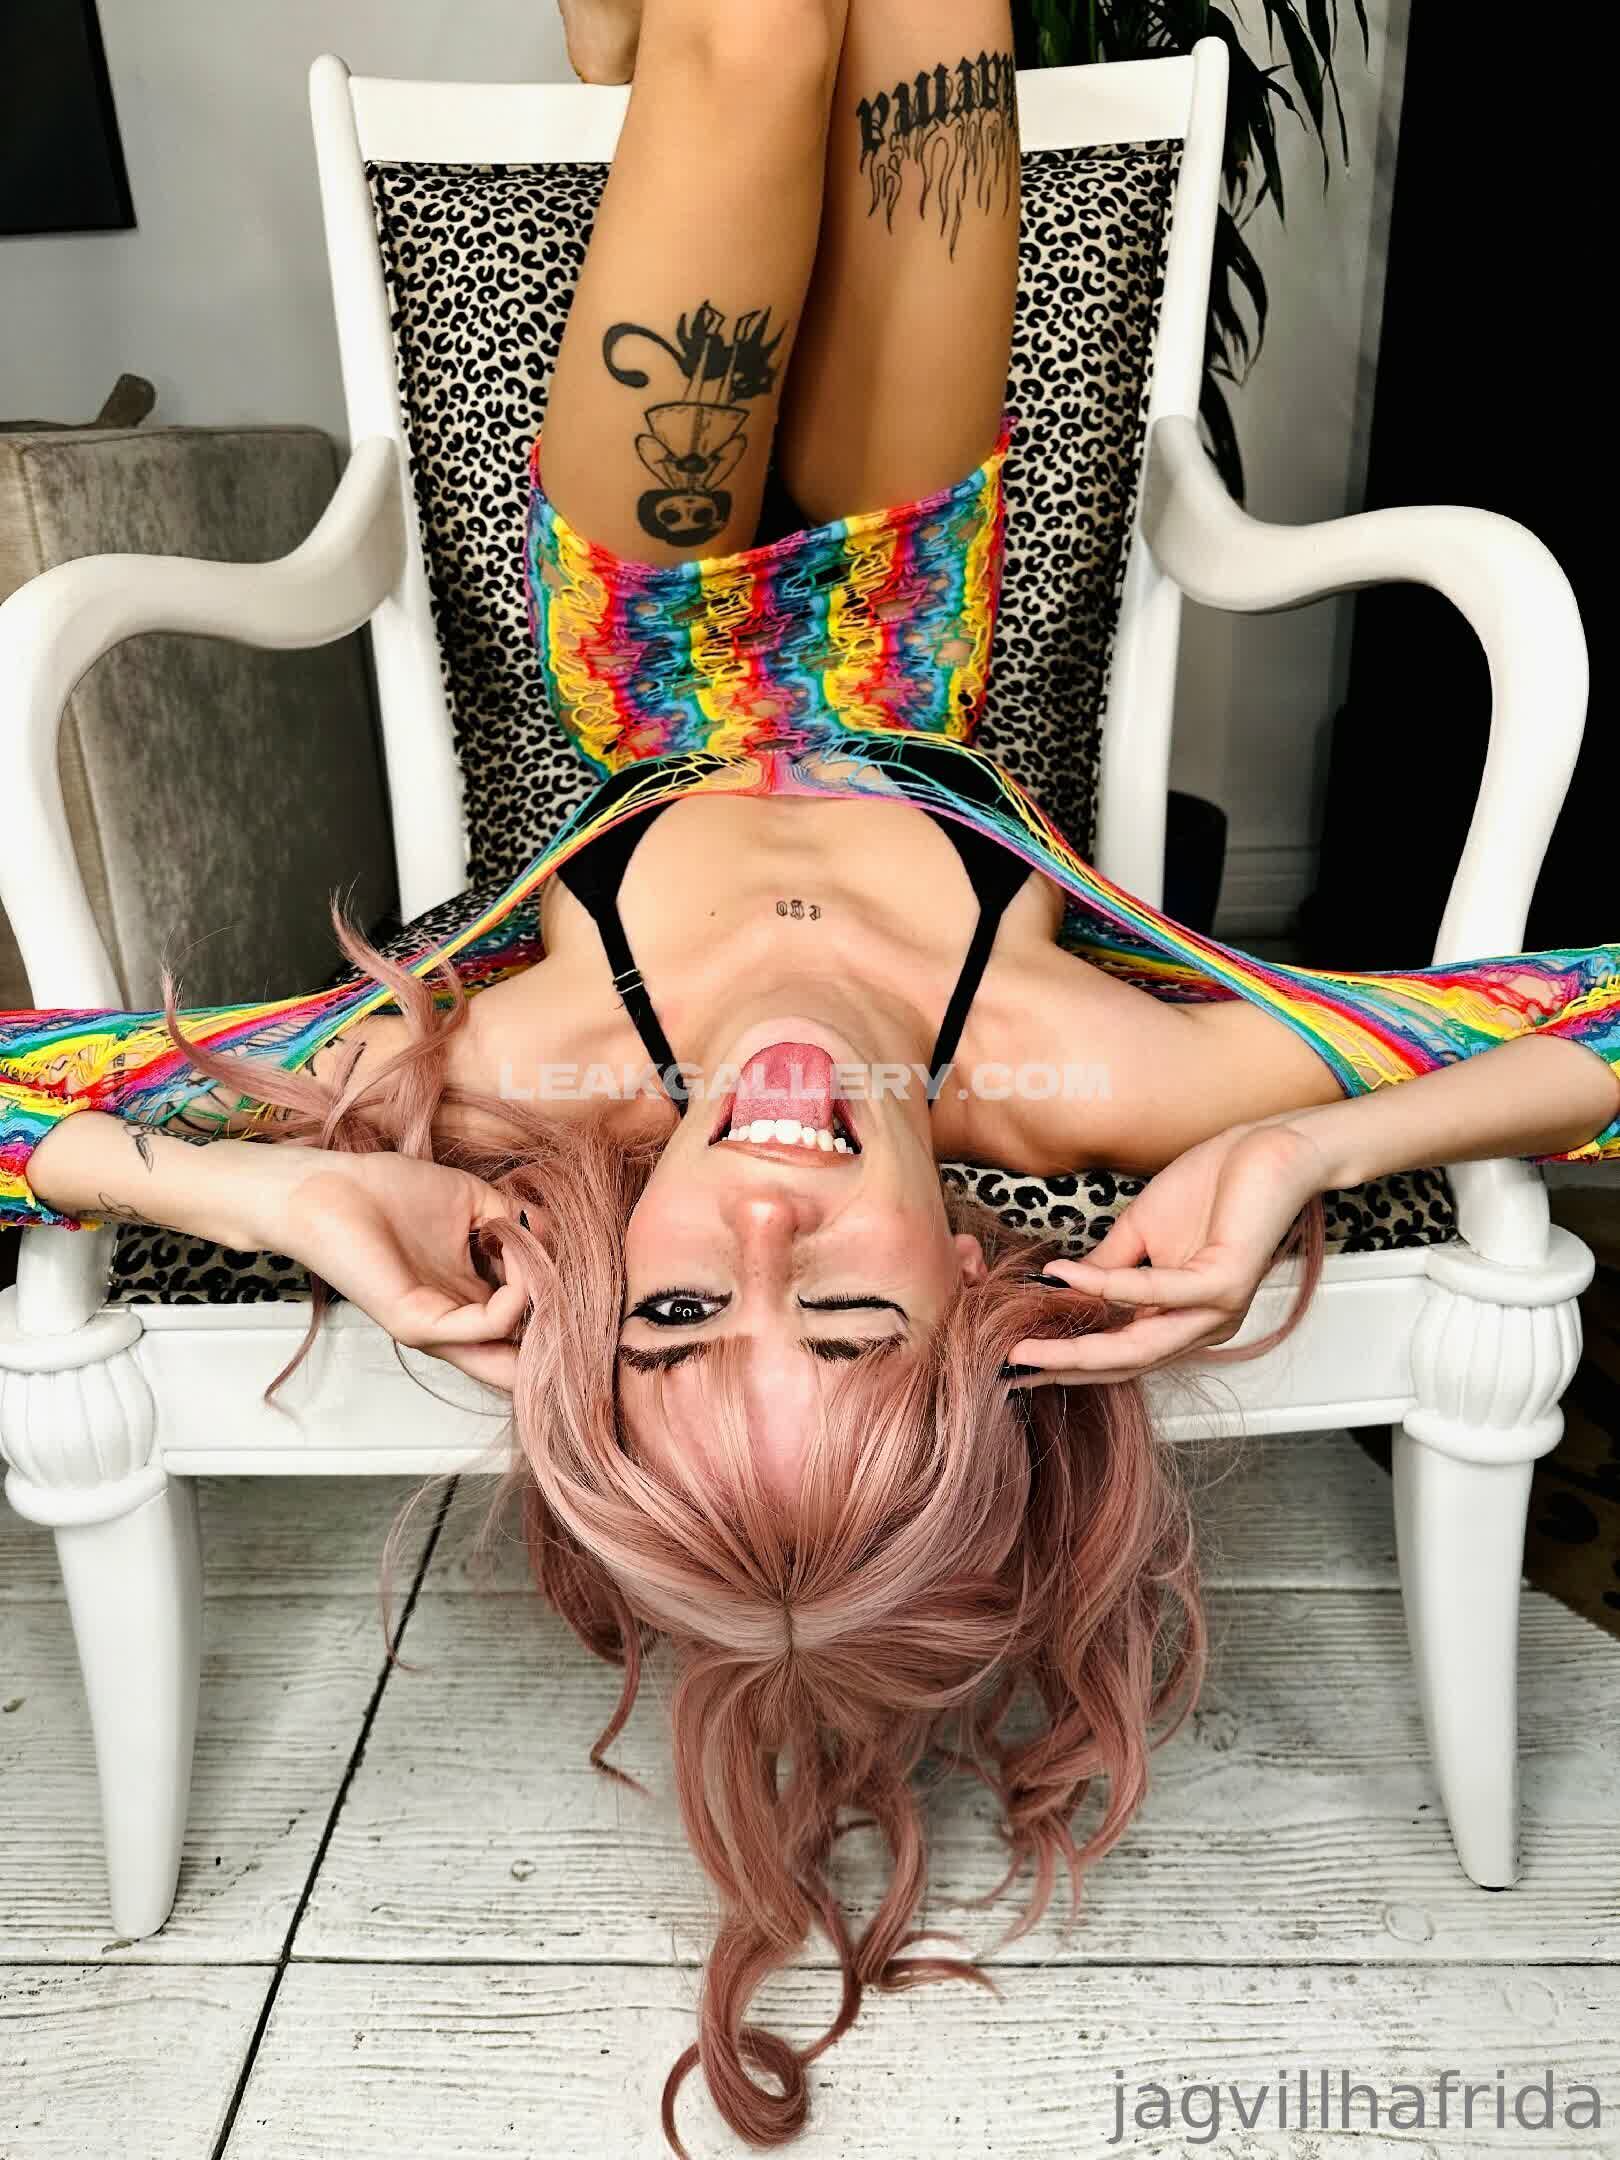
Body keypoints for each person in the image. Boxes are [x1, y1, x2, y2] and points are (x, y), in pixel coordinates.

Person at [3, 0, 1617, 2145]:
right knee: (940, 14)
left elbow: (22, 1098)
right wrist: (1299, 1144)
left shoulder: (539, 1072)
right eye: (845, 1313)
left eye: (677, 1309)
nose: (762, 1208)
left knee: (758, 35)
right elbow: (1595, 1027)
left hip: (649, 617)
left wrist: (278, 1185)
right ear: (981, 1298)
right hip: (911, 608)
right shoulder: (1073, 1075)